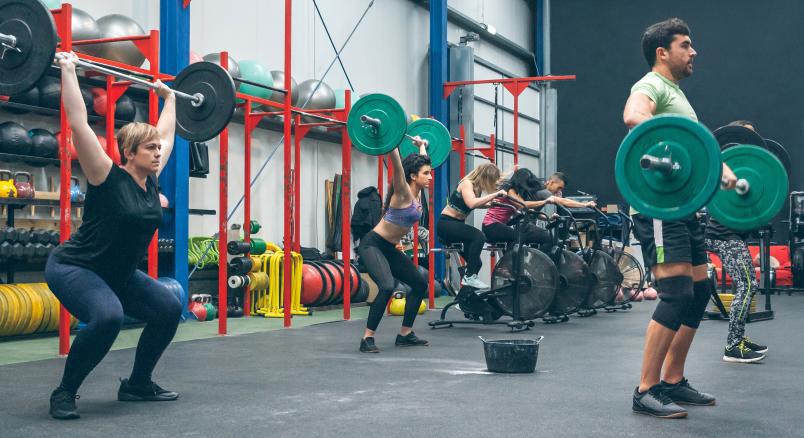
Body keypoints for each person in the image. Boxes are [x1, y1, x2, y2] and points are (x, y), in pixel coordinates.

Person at [46, 52, 183, 420]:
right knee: (108, 317)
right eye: (150, 148)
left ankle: (137, 384)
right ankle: (64, 392)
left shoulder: (151, 181)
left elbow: (167, 133)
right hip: (76, 267)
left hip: (117, 274)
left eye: (158, 148)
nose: (158, 152)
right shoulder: (105, 175)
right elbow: (78, 123)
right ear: (129, 153)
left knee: (169, 308)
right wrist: (69, 70)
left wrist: (169, 98)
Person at [622, 18, 738, 419]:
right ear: (663, 52)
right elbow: (633, 116)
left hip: (684, 208)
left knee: (700, 291)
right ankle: (645, 389)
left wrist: (719, 168)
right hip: (659, 207)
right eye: (685, 45)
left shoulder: (677, 94)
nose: (693, 52)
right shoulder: (651, 85)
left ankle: (672, 380)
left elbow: (695, 148)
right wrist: (671, 142)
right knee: (675, 294)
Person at [358, 137, 431, 353]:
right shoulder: (402, 192)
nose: (430, 176)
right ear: (413, 176)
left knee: (420, 283)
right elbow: (398, 166)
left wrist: (421, 146)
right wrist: (392, 142)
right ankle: (367, 338)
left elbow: (424, 160)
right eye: (426, 173)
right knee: (387, 286)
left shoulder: (418, 192)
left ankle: (405, 334)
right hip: (372, 245)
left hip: (389, 248)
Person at [705, 120, 767, 364]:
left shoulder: (747, 172)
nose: (750, 141)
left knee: (747, 284)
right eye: (745, 135)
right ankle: (732, 345)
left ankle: (739, 337)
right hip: (723, 235)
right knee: (748, 285)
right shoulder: (725, 171)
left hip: (732, 235)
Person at [437, 163, 506, 289]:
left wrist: (489, 204)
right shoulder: (467, 183)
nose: (492, 184)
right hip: (447, 224)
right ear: (485, 177)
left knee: (476, 264)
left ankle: (463, 296)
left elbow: (474, 203)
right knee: (479, 236)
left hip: (457, 224)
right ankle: (469, 277)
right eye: (492, 181)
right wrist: (494, 195)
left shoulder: (477, 189)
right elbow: (471, 204)